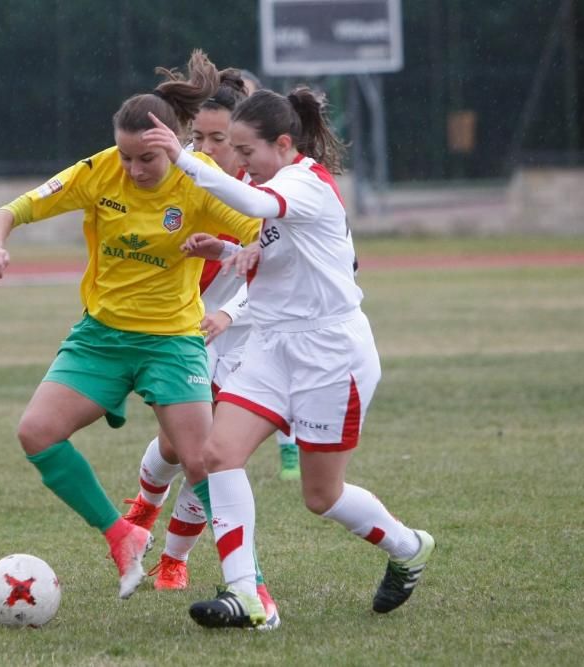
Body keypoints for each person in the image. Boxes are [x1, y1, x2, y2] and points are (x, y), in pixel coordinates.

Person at [0, 50, 263, 602]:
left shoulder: (200, 185)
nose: (132, 170)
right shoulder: (99, 170)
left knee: (207, 465)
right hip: (101, 338)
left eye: (146, 160)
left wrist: (239, 250)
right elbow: (12, 210)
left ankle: (250, 587)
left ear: (172, 146)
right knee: (36, 433)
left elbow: (261, 230)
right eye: (126, 157)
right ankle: (122, 535)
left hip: (173, 343)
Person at [142, 87, 436, 628]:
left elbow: (255, 207)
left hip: (330, 354)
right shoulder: (272, 183)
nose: (239, 162)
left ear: (282, 144)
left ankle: (408, 546)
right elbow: (283, 260)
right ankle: (248, 598)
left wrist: (183, 158)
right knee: (214, 454)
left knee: (321, 496)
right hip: (273, 347)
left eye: (244, 150)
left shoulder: (303, 182)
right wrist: (228, 252)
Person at [122, 71, 294, 610]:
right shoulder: (184, 182)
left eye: (218, 140)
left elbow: (275, 266)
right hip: (190, 330)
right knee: (178, 446)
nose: (206, 148)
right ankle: (144, 511)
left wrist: (229, 309)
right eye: (199, 138)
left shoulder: (265, 194)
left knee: (208, 453)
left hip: (247, 335)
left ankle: (174, 559)